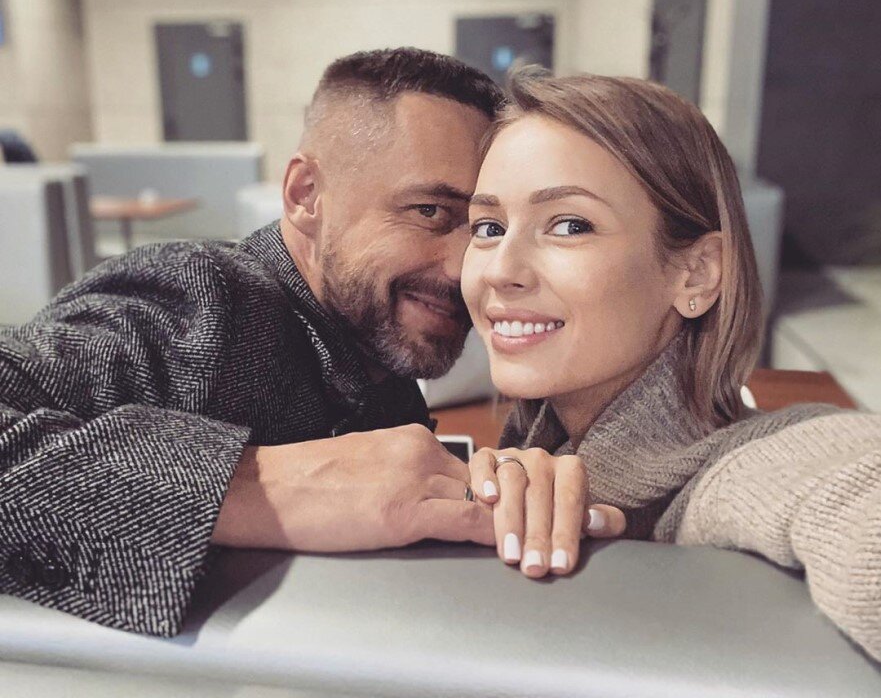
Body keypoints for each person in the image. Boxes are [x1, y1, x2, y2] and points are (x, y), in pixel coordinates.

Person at [0, 48, 547, 638]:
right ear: (306, 194)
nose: (466, 268)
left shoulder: (370, 347)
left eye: (485, 228)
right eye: (429, 211)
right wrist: (260, 487)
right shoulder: (202, 298)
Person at [461, 69, 881, 661]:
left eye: (570, 225)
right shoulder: (542, 445)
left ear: (696, 274)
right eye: (488, 227)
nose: (501, 270)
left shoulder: (738, 475)